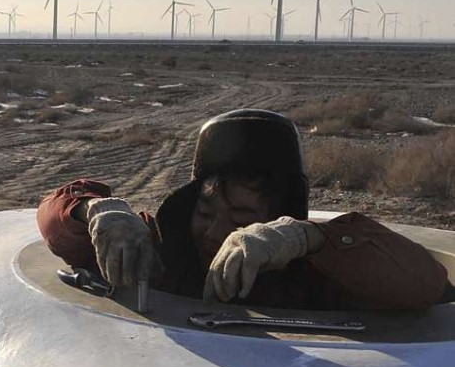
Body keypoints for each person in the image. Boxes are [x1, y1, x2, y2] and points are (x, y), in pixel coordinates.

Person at [37, 108, 453, 311]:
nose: (215, 232)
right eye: (204, 212)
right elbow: (53, 220)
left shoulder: (317, 271)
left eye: (240, 219)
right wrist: (96, 211)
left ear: (281, 216)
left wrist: (310, 239)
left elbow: (424, 284)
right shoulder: (156, 247)